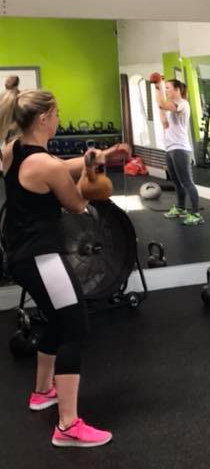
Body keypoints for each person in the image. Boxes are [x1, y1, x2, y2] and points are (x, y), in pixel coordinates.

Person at [0, 77, 129, 446]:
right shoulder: (47, 165)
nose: (58, 119)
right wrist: (93, 174)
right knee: (75, 327)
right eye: (56, 114)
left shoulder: (12, 150)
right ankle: (68, 426)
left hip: (22, 255)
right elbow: (78, 204)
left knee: (58, 320)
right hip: (42, 258)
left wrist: (98, 156)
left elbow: (56, 166)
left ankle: (43, 392)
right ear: (44, 118)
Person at [154, 78, 203, 226]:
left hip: (180, 149)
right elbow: (164, 123)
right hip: (170, 148)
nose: (166, 90)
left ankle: (196, 214)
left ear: (177, 90)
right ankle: (181, 208)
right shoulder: (172, 107)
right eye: (165, 88)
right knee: (176, 181)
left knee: (187, 182)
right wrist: (158, 89)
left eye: (168, 88)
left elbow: (162, 104)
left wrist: (158, 87)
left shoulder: (182, 104)